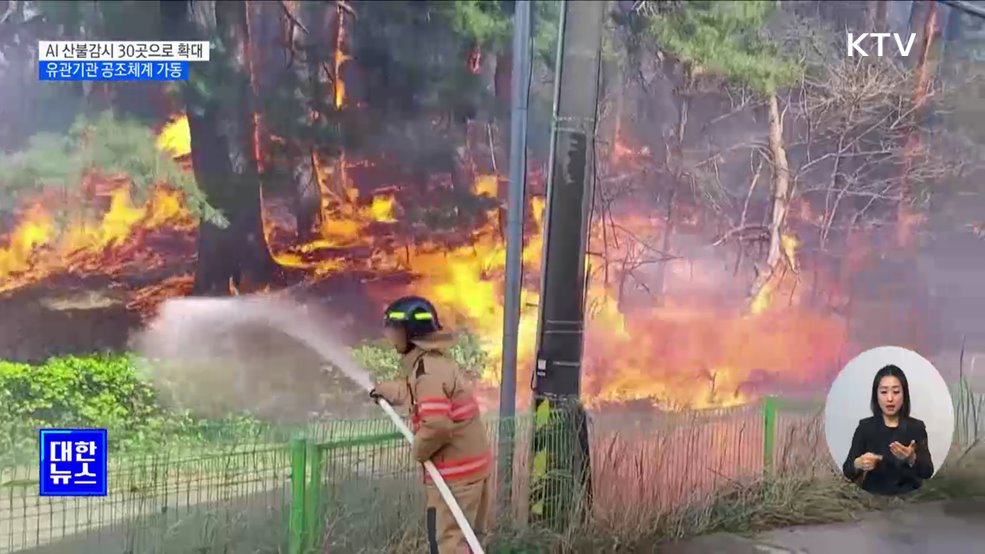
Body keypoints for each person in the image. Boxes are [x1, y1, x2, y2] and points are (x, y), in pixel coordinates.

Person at [369, 295, 492, 553]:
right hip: (470, 474)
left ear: (408, 333)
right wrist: (383, 389)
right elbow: (413, 393)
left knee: (448, 546)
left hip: (455, 479)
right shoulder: (434, 364)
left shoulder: (427, 372)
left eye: (393, 330)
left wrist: (418, 450)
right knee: (467, 544)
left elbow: (437, 426)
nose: (389, 336)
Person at [842, 364, 934, 495]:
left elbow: (928, 471)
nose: (890, 399)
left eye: (896, 392)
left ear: (904, 395)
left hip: (910, 499)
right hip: (873, 500)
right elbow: (847, 470)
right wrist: (859, 463)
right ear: (876, 395)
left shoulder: (916, 427)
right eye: (884, 392)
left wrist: (911, 457)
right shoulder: (865, 427)